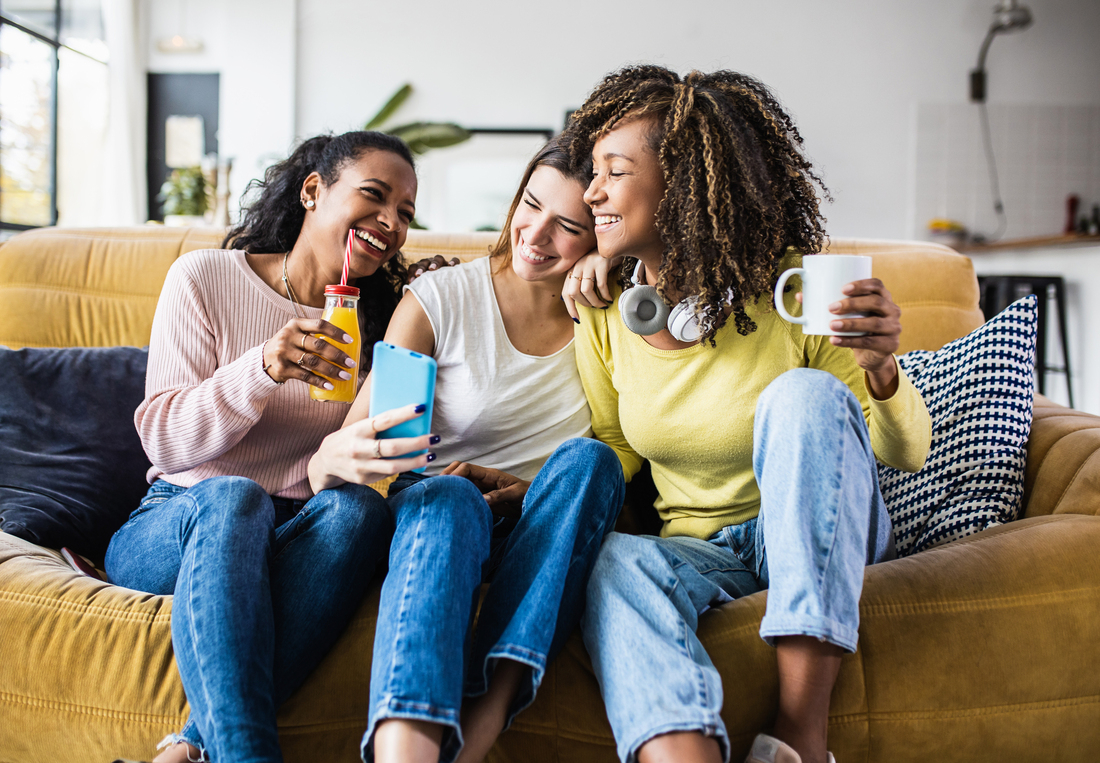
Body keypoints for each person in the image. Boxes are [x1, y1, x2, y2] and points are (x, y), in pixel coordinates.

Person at [560, 66, 932, 763]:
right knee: (616, 560)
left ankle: (800, 738)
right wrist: (541, 492)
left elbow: (903, 451)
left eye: (613, 171)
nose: (592, 192)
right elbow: (617, 445)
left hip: (820, 528)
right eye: (592, 173)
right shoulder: (606, 310)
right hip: (704, 550)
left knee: (802, 395)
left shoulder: (798, 290)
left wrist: (883, 366)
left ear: (682, 183)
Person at [105, 131, 433, 763]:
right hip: (182, 519)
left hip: (296, 532)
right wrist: (262, 367)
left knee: (359, 513)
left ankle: (194, 749)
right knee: (234, 498)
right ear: (314, 191)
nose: (390, 222)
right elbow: (165, 440)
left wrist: (432, 309)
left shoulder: (382, 317)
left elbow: (383, 454)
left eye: (406, 214)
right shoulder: (204, 278)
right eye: (375, 195)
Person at [307, 138, 625, 763]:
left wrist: (529, 495)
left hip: (540, 529)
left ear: (600, 236)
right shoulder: (443, 297)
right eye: (529, 206)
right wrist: (335, 461)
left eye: (568, 227)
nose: (535, 235)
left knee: (593, 463)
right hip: (434, 517)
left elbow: (622, 464)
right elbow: (362, 444)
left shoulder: (612, 320)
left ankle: (481, 728)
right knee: (450, 495)